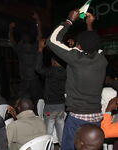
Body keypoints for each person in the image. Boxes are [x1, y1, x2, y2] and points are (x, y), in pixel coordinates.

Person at [47, 10, 108, 150]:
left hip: (77, 120)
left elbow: (52, 41)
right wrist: (89, 25)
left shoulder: (76, 58)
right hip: (96, 118)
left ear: (80, 47)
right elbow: (93, 43)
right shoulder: (102, 59)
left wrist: (69, 20)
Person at [9, 12, 43, 109]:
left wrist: (10, 29)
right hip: (31, 80)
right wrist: (37, 20)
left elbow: (11, 41)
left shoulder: (22, 49)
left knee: (27, 101)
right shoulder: (32, 48)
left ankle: (30, 117)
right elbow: (39, 34)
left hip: (29, 80)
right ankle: (35, 117)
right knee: (35, 102)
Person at [35, 38, 66, 145]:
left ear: (54, 61)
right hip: (61, 106)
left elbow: (38, 68)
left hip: (50, 107)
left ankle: (48, 147)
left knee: (48, 134)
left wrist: (40, 49)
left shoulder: (51, 71)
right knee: (61, 131)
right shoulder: (67, 72)